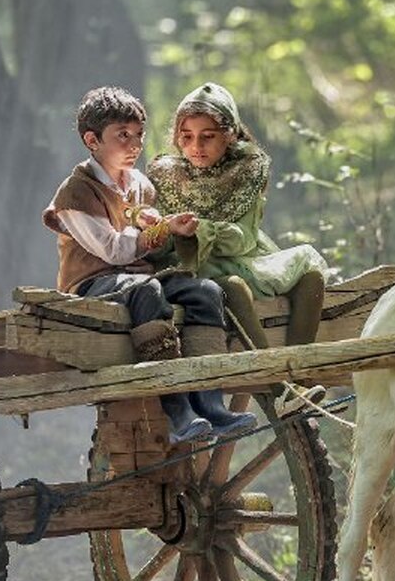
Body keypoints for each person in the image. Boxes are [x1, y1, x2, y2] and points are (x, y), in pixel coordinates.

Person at [42, 85, 255, 443]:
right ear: (92, 140)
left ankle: (210, 402)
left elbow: (148, 238)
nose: (135, 144)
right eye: (122, 135)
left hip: (136, 277)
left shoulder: (139, 183)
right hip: (94, 283)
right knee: (148, 289)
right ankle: (176, 410)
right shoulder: (75, 193)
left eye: (139, 134)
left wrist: (173, 229)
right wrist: (159, 230)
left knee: (204, 291)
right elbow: (113, 250)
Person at [146, 82, 329, 408]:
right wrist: (174, 231)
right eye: (186, 137)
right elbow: (155, 241)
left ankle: (299, 376)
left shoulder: (248, 167)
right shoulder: (165, 174)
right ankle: (279, 389)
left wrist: (206, 229)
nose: (196, 146)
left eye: (207, 136)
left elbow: (244, 238)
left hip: (241, 254)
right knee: (232, 286)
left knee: (311, 273)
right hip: (191, 266)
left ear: (229, 134)